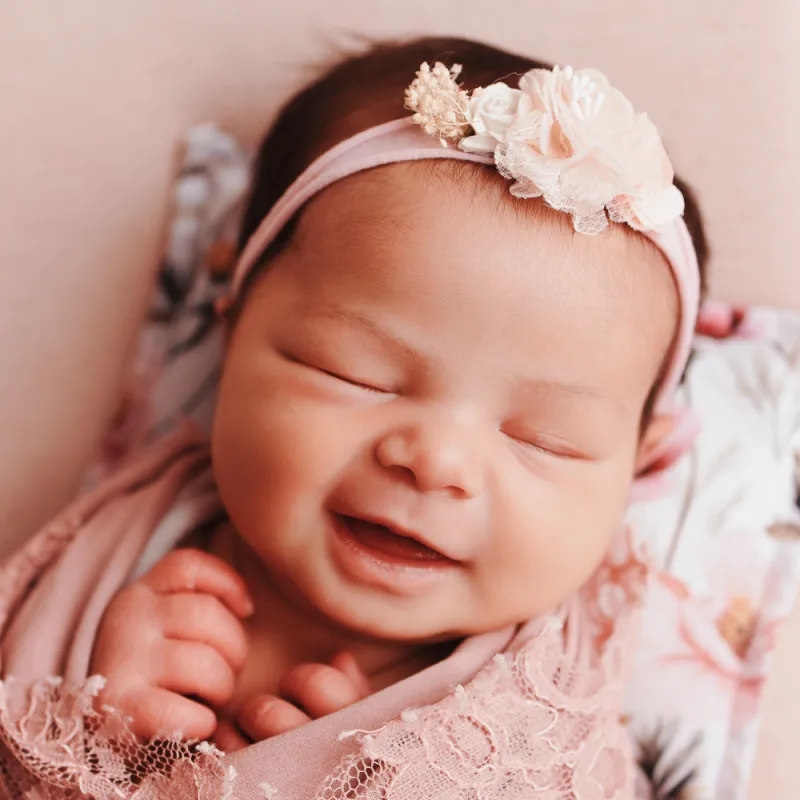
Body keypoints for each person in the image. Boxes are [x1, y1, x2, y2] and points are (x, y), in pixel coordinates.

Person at [0, 37, 707, 800]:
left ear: (638, 466)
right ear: (231, 335)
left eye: (544, 438)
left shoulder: (546, 721)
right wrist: (100, 715)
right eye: (355, 373)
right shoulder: (122, 556)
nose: (436, 461)